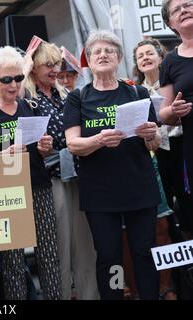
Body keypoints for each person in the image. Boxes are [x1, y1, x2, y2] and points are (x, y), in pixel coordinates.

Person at [63, 30, 161, 300]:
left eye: (109, 51)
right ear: (89, 61)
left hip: (139, 187)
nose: (103, 55)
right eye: (97, 52)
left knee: (144, 251)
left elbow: (154, 144)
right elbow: (73, 144)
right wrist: (98, 140)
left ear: (118, 58)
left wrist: (152, 135)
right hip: (100, 193)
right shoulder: (78, 98)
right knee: (110, 257)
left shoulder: (137, 92)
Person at [0, 46, 62, 300]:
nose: (14, 85)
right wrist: (3, 154)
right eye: (7, 79)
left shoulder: (31, 106)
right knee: (12, 262)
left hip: (38, 186)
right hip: (5, 194)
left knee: (48, 255)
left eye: (19, 78)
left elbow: (42, 151)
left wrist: (45, 148)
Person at [26, 41, 99, 300]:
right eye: (48, 64)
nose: (55, 69)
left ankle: (90, 295)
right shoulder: (27, 99)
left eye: (57, 63)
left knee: (85, 244)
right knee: (58, 247)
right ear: (33, 68)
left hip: (77, 173)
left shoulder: (67, 95)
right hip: (48, 179)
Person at [128, 37, 178, 300]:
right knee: (143, 230)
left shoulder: (173, 83)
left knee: (169, 225)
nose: (145, 58)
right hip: (151, 160)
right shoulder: (135, 92)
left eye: (150, 54)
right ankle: (140, 289)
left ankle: (171, 285)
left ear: (161, 57)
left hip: (178, 153)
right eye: (140, 56)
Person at [159, 0, 193, 239]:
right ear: (170, 23)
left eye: (189, 4)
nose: (184, 10)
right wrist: (175, 110)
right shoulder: (169, 62)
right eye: (176, 9)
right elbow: (164, 114)